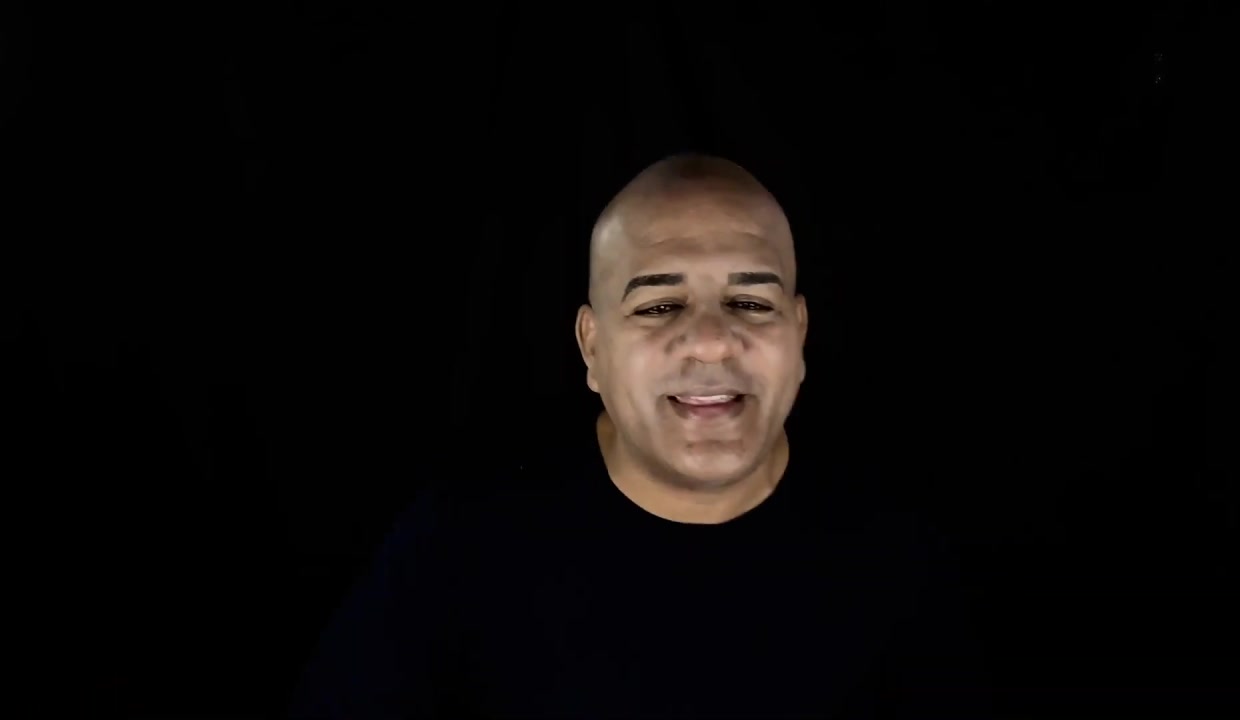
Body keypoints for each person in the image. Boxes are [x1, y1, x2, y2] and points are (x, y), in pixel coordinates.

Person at [289, 154, 991, 718]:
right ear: (592, 347)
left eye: (751, 301)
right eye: (658, 306)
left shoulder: (897, 555)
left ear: (799, 335)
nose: (712, 341)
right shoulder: (456, 547)